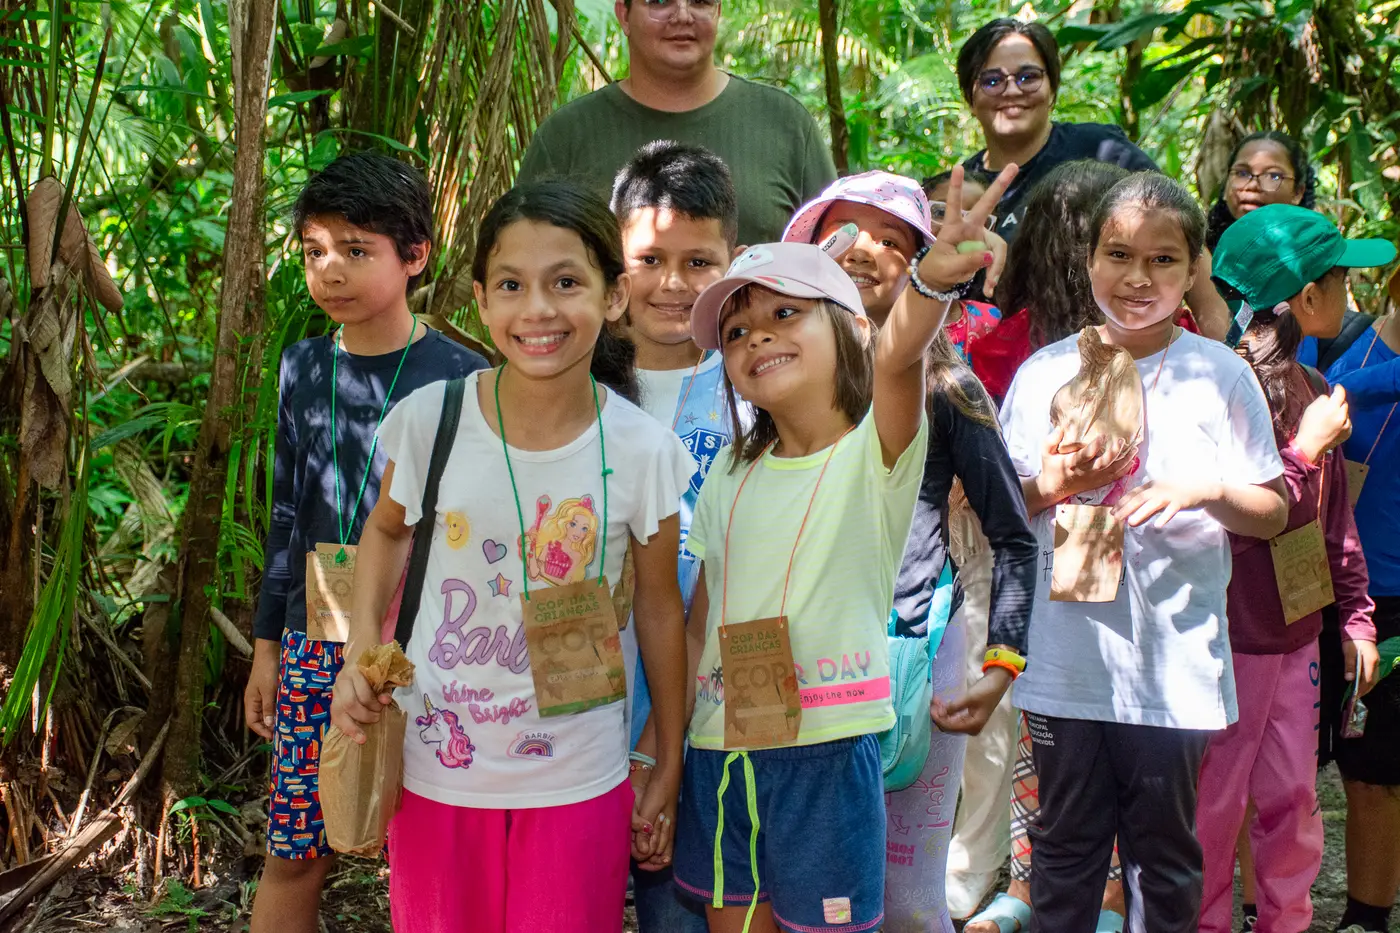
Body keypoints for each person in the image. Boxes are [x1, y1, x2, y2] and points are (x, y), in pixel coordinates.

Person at [330, 181, 696, 933]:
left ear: (614, 295)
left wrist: (667, 758)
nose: (537, 310)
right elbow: (388, 531)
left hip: (578, 778)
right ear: (480, 299)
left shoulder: (643, 450)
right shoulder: (430, 420)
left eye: (565, 282)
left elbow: (661, 609)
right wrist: (361, 643)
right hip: (437, 769)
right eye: (510, 285)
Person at [672, 166, 1014, 933]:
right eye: (736, 330)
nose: (757, 335)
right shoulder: (729, 470)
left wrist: (929, 282)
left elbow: (898, 358)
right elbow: (700, 622)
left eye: (785, 313)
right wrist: (668, 753)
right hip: (720, 748)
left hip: (826, 752)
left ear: (847, 326)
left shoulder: (876, 450)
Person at [999, 173, 1289, 932]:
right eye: (1119, 254)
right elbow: (1000, 507)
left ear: (1193, 269)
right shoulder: (1044, 373)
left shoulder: (1220, 373)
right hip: (1065, 667)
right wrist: (1056, 482)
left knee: (1164, 854)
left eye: (1163, 260)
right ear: (1089, 260)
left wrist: (1205, 489)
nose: (1138, 277)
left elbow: (1273, 512)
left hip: (1174, 669)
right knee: (1063, 846)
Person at [783, 170, 1037, 933]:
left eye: (893, 240)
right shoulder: (770, 381)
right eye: (846, 231)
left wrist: (1000, 666)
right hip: (791, 664)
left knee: (908, 900)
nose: (866, 249)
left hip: (914, 663)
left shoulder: (947, 388)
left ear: (924, 269)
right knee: (800, 881)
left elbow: (1014, 535)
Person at [242, 151, 488, 933]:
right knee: (296, 846)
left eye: (355, 249)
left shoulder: (466, 375)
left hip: (434, 646)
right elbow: (287, 513)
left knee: (437, 855)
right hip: (318, 641)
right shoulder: (303, 366)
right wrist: (267, 648)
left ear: (415, 255)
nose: (330, 270)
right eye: (314, 250)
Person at [1199, 203, 1386, 933]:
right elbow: (1240, 521)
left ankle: (1287, 922)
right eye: (1340, 279)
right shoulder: (1221, 390)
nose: (1350, 293)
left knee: (1293, 799)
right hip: (1227, 640)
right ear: (1308, 297)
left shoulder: (1314, 387)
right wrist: (1305, 450)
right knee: (1213, 806)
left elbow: (1335, 520)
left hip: (1296, 638)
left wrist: (1357, 618)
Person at [961, 158, 1135, 933]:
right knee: (1093, 718)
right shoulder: (1019, 351)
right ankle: (1088, 889)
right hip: (1090, 556)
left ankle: (1046, 883)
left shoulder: (1006, 344)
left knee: (1048, 723)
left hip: (1043, 555)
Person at [610, 139, 744, 933]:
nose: (672, 284)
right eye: (650, 259)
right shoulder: (575, 380)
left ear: (732, 263)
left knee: (683, 907)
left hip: (712, 698)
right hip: (585, 699)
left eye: (699, 263)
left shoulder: (754, 382)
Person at [516, 0, 835, 245]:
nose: (682, 15)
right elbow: (525, 263)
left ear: (717, 12)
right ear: (624, 15)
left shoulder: (786, 123)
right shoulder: (566, 136)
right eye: (660, 1)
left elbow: (834, 258)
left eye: (700, 1)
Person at [1324, 282, 1400, 933]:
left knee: (1380, 769)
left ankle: (1366, 918)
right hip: (1317, 585)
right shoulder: (1341, 334)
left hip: (1395, 601)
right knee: (1309, 764)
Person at [956, 19, 1154, 245]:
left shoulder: (1102, 150)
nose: (1012, 90)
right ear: (970, 99)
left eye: (1028, 77)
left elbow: (1174, 229)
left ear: (1052, 89)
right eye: (992, 81)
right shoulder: (955, 187)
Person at [920, 169, 1004, 365]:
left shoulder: (989, 322)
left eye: (979, 219)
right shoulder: (883, 311)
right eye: (941, 212)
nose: (959, 229)